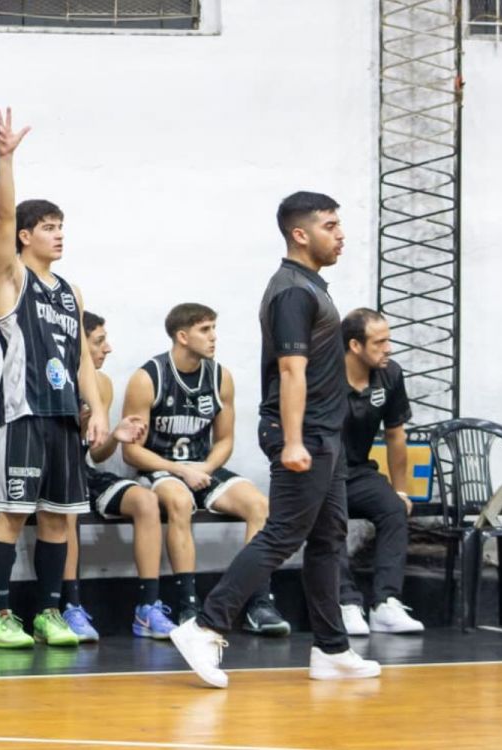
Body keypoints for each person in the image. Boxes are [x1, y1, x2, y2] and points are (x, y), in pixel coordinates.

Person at [171, 191, 381, 687]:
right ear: (300, 234)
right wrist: (292, 440)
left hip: (324, 435)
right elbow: (290, 370)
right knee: (283, 533)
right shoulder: (291, 291)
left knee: (328, 539)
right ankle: (205, 626)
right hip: (303, 434)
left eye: (339, 224)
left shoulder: (311, 287)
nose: (341, 234)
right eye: (330, 226)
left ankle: (331, 649)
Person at [0, 108, 139, 650]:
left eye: (61, 227)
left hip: (64, 418)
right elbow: (2, 216)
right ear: (25, 236)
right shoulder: (12, 277)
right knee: (13, 514)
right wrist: (6, 160)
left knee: (56, 520)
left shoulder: (70, 293)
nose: (58, 234)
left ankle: (49, 612)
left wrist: (98, 412)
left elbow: (82, 363)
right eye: (48, 227)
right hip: (24, 413)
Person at [122, 303, 290, 637]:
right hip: (160, 468)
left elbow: (224, 440)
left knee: (259, 505)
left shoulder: (219, 376)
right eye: (205, 330)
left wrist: (206, 468)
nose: (214, 337)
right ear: (182, 336)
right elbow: (131, 451)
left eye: (214, 328)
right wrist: (181, 471)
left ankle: (257, 602)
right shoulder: (148, 377)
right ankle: (188, 603)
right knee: (180, 501)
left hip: (202, 467)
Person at [59, 311, 155, 643]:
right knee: (69, 505)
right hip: (53, 471)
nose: (108, 348)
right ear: (79, 345)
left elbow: (97, 454)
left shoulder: (102, 385)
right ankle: (70, 607)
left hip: (82, 469)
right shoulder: (54, 378)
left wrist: (115, 435)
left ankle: (148, 608)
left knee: (146, 500)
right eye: (99, 341)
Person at [337, 308, 424, 635]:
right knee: (329, 517)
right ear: (355, 345)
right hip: (323, 473)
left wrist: (401, 491)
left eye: (388, 340)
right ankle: (345, 603)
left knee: (393, 509)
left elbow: (395, 436)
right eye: (379, 342)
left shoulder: (390, 374)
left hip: (359, 471)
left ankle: (386, 603)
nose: (388, 348)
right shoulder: (324, 376)